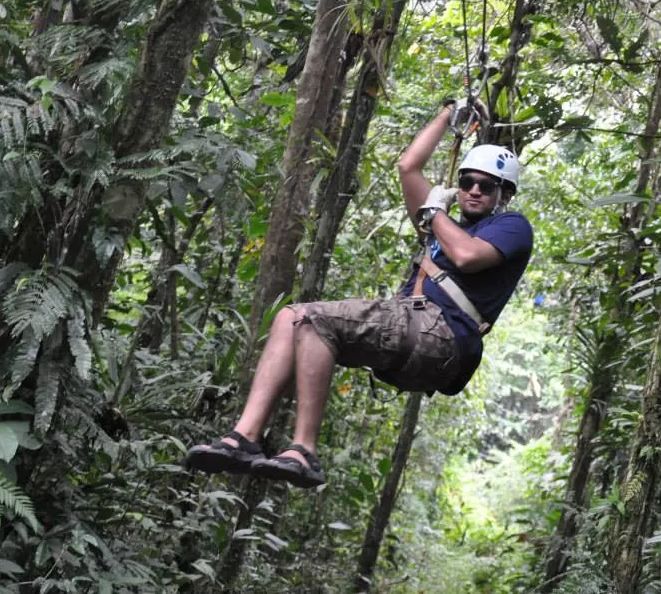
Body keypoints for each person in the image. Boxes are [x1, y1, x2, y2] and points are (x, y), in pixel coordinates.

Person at [186, 100, 534, 488]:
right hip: (415, 328)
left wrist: (435, 211)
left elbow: (468, 257)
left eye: (484, 186)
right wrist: (447, 115)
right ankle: (245, 438)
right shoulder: (443, 226)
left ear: (504, 193)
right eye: (466, 181)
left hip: (442, 335)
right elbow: (408, 167)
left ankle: (304, 450)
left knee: (315, 322)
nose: (472, 191)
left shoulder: (512, 226)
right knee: (290, 317)